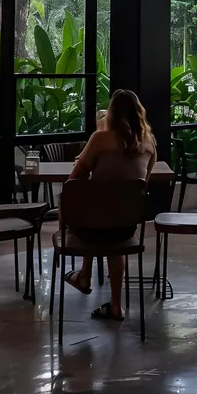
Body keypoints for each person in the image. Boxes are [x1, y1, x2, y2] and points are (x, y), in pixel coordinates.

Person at [63, 89, 156, 320]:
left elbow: (73, 182)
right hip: (125, 228)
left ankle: (84, 276)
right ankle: (116, 305)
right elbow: (140, 187)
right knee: (112, 220)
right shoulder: (150, 145)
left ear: (112, 113)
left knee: (86, 204)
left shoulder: (100, 139)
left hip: (89, 228)